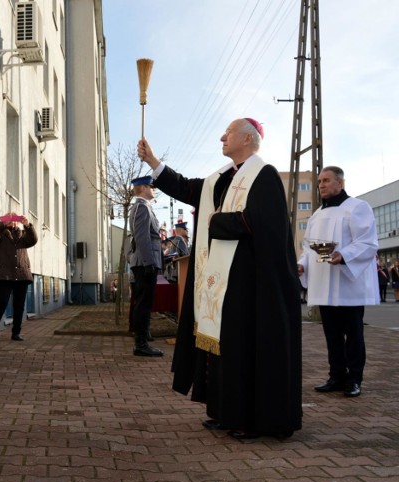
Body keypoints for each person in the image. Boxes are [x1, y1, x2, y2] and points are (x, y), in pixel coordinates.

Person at [137, 118, 302, 439]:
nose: (222, 137)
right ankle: (227, 411)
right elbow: (186, 188)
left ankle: (253, 419)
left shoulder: (263, 175)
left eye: (228, 133)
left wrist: (218, 221)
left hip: (251, 285)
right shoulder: (220, 179)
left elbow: (266, 225)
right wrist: (153, 162)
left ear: (247, 139)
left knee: (246, 349)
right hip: (223, 284)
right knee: (225, 348)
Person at [298, 166, 379, 398]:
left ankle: (354, 379)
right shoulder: (316, 215)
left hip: (347, 284)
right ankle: (336, 376)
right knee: (331, 334)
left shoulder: (357, 207)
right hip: (325, 283)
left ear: (340, 183)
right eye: (319, 181)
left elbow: (367, 242)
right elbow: (309, 247)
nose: (321, 185)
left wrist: (344, 255)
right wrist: (303, 263)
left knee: (353, 334)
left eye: (326, 180)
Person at [0, 213, 37, 341]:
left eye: (14, 219)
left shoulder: (23, 234)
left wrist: (28, 226)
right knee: (2, 302)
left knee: (19, 305)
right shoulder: (1, 234)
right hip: (5, 275)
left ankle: (16, 333)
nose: (13, 222)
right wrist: (3, 224)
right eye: (10, 219)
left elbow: (33, 240)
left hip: (22, 274)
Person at [128, 176, 164, 357]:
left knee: (144, 303)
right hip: (145, 263)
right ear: (143, 188)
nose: (154, 189)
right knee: (143, 304)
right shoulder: (141, 207)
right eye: (151, 186)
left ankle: (142, 339)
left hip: (144, 262)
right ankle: (140, 344)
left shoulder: (144, 207)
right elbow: (142, 237)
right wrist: (150, 262)